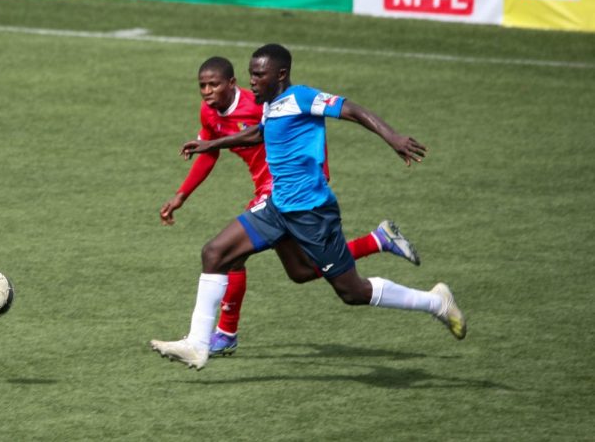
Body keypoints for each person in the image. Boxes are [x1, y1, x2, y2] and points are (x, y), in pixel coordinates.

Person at [150, 44, 466, 370]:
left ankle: (436, 302)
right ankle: (197, 344)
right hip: (277, 208)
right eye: (251, 74)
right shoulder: (269, 104)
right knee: (216, 253)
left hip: (312, 213)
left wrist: (394, 138)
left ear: (280, 75)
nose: (252, 81)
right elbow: (258, 134)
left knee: (352, 292)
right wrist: (210, 144)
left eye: (259, 75)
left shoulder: (302, 97)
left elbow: (353, 110)